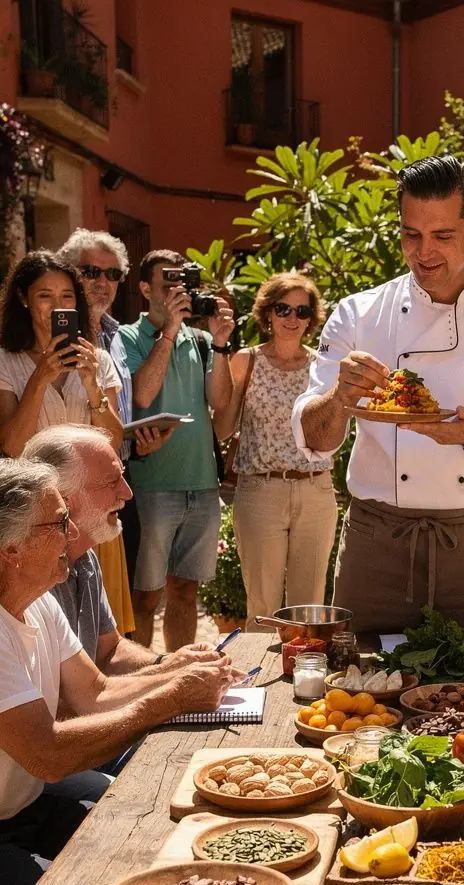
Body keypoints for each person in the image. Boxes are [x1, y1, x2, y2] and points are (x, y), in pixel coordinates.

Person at [292, 155, 464, 634]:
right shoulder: (359, 315)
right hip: (377, 544)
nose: (424, 253)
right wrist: (340, 396)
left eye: (443, 236)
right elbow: (314, 439)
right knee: (359, 687)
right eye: (410, 235)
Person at [0, 458, 238, 885]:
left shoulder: (40, 603)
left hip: (27, 803)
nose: (72, 533)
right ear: (11, 549)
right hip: (13, 815)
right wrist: (168, 697)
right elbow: (47, 753)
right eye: (59, 522)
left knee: (149, 831)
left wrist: (174, 671)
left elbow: (95, 692)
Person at [24, 425, 223, 674]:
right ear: (64, 497)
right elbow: (67, 696)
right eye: (112, 482)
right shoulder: (31, 578)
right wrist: (173, 684)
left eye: (123, 477)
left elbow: (109, 650)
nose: (127, 493)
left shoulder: (85, 559)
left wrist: (169, 663)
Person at [119, 250, 235, 651]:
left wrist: (220, 344)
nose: (175, 290)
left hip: (202, 485)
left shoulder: (201, 341)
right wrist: (168, 331)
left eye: (180, 282)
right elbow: (143, 394)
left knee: (185, 591)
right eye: (165, 282)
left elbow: (220, 402)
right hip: (152, 486)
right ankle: (141, 684)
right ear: (145, 288)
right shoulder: (128, 337)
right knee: (145, 597)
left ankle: (182, 680)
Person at [214, 272, 337, 625]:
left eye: (301, 311)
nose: (292, 319)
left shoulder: (322, 367)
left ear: (311, 319)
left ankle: (306, 678)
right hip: (261, 490)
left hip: (316, 489)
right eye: (283, 309)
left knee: (309, 608)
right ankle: (261, 680)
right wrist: (220, 355)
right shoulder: (245, 361)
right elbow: (222, 429)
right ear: (267, 313)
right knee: (264, 609)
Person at [56, 229, 169, 595]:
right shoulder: (44, 341)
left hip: (117, 486)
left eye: (113, 274)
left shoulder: (118, 336)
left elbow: (117, 415)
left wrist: (138, 444)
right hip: (62, 493)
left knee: (117, 605)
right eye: (91, 272)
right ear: (68, 273)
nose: (103, 282)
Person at [0, 250, 124, 459]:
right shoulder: (5, 361)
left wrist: (93, 388)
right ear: (24, 298)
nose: (58, 306)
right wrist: (38, 380)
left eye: (67, 296)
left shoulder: (98, 360)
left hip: (88, 488)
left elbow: (114, 443)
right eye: (45, 296)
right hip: (36, 490)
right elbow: (12, 448)